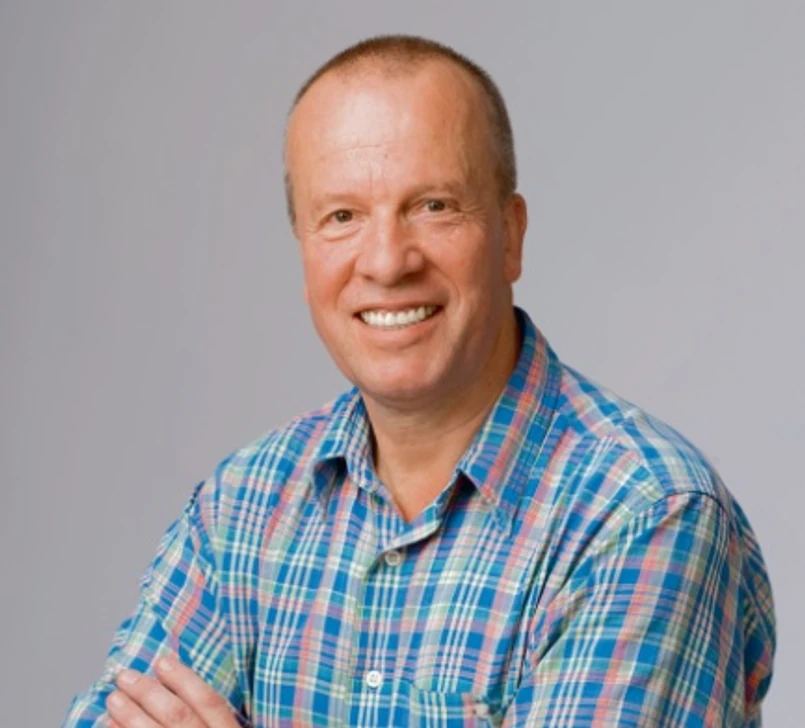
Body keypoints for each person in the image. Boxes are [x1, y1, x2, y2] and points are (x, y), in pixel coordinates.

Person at [63, 34, 775, 727]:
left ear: (510, 235)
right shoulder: (242, 510)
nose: (386, 261)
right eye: (342, 216)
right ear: (303, 248)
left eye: (432, 206)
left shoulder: (643, 513)